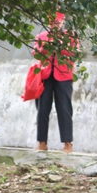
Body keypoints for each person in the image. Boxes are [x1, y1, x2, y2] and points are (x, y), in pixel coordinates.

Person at [33, 12, 77, 152]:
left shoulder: (70, 36)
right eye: (52, 22)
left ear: (63, 20)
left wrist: (60, 45)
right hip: (45, 76)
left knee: (64, 109)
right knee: (42, 109)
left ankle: (68, 143)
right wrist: (46, 46)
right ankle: (42, 143)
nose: (55, 24)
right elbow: (35, 53)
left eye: (57, 21)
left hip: (64, 76)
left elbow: (74, 53)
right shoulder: (41, 36)